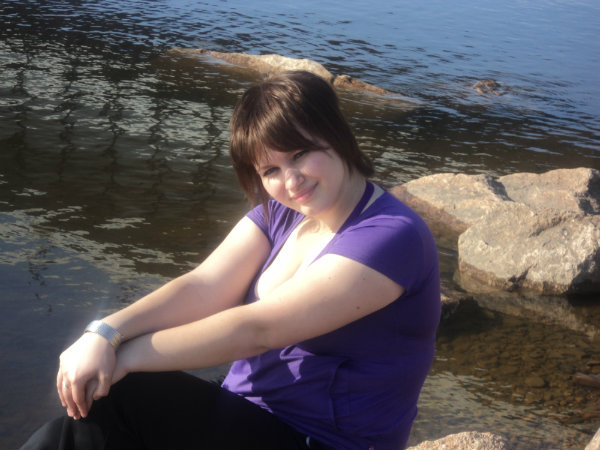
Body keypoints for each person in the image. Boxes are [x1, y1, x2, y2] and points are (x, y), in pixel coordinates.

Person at [20, 70, 441, 450]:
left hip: (320, 438)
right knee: (86, 426)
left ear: (337, 133)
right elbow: (204, 286)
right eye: (270, 170)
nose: (291, 180)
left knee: (120, 398)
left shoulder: (390, 235)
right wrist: (105, 333)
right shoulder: (282, 213)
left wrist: (122, 360)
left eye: (299, 154)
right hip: (247, 414)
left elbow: (257, 330)